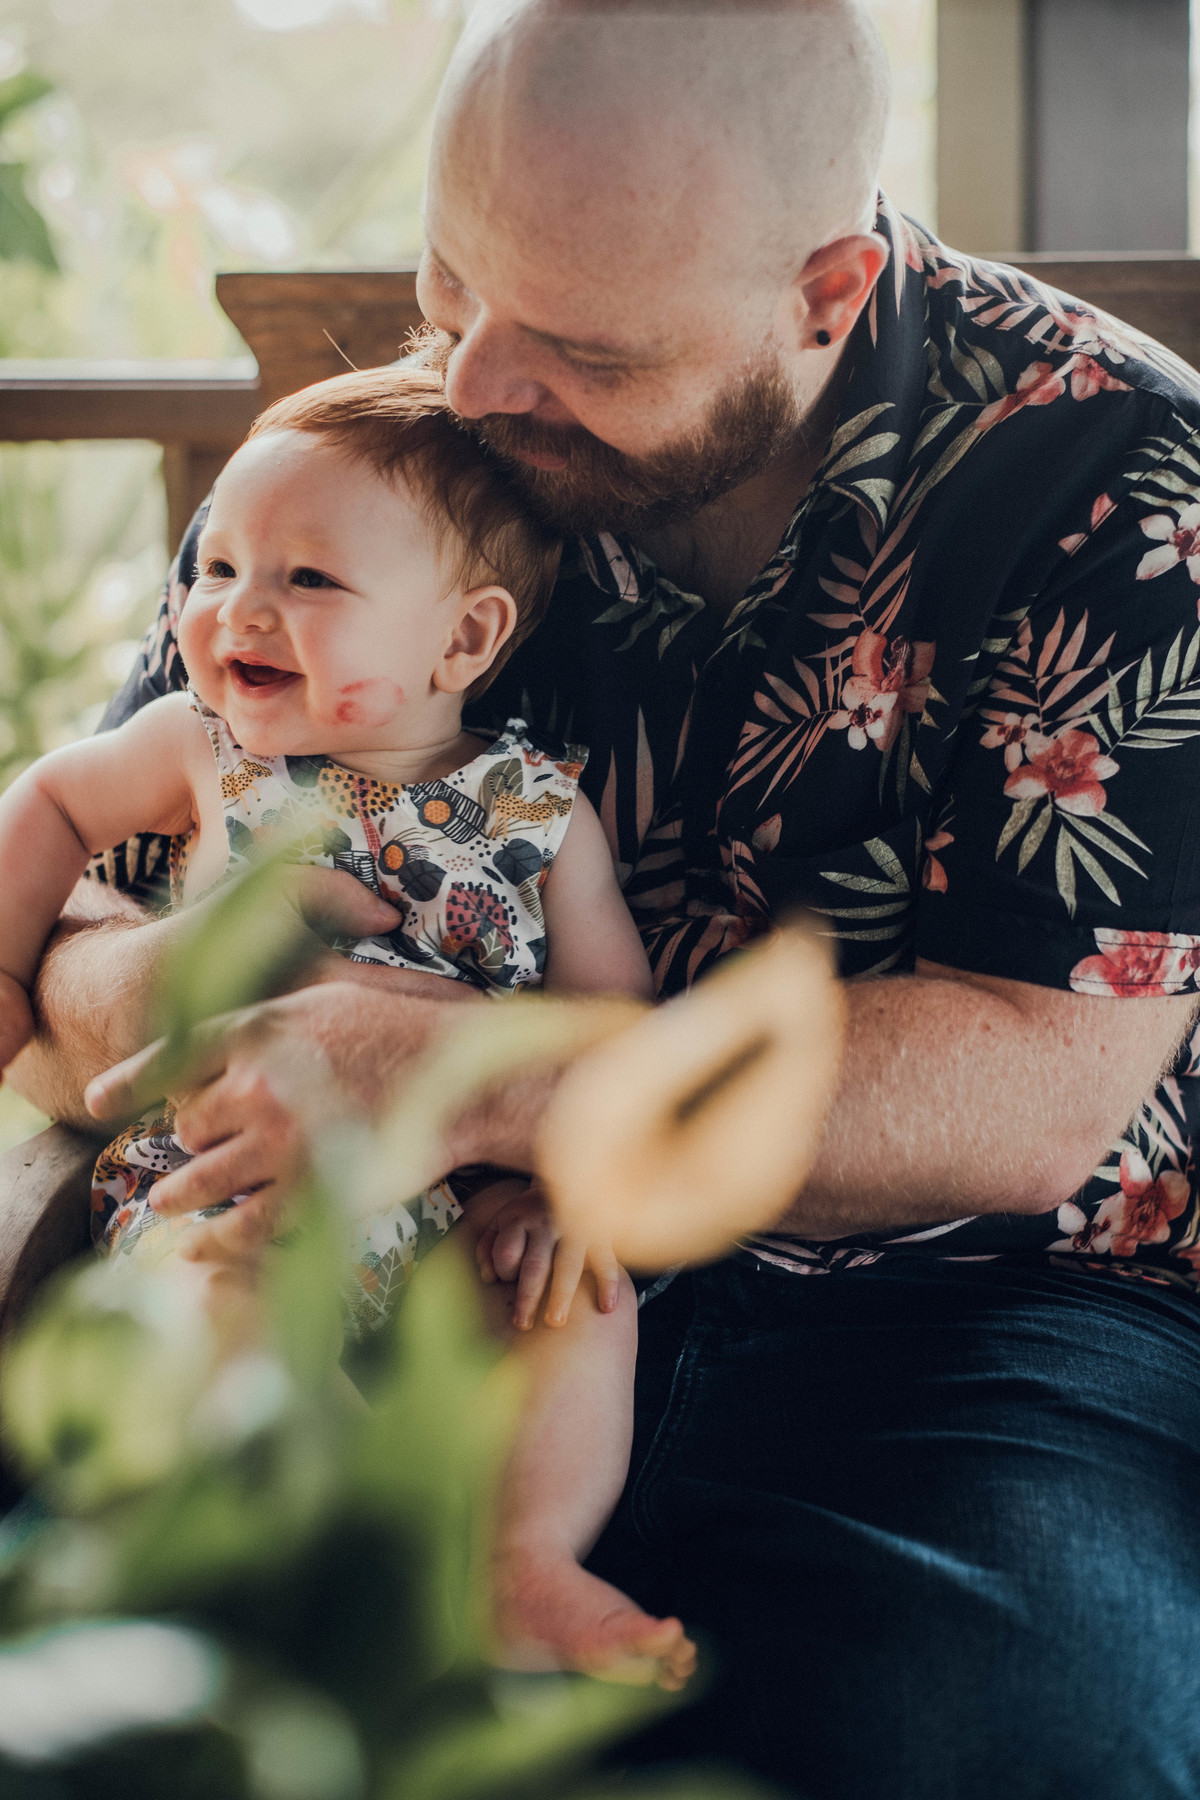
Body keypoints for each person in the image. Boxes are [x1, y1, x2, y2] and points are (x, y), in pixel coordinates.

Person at [12, 0, 1200, 1790]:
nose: (479, 381)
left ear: (827, 288)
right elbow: (86, 909)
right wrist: (231, 1021)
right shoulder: (395, 444)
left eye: (576, 347)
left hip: (961, 1320)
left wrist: (468, 1071)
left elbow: (1031, 1081)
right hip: (356, 1256)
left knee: (1001, 1735)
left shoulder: (1126, 483)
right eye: (445, 279)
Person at [0, 362, 698, 1692]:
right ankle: (269, 1564)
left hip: (463, 1197)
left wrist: (568, 1175)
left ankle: (523, 1557)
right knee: (219, 1309)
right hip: (236, 1181)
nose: (232, 611)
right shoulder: (208, 751)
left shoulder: (540, 808)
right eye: (214, 569)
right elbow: (46, 801)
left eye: (307, 582)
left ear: (463, 640)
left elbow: (613, 1022)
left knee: (583, 1300)